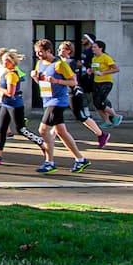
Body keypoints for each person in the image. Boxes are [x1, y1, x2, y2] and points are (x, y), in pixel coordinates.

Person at [30, 38, 88, 174]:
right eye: (37, 52)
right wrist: (35, 78)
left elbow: (73, 82)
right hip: (47, 99)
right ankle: (80, 159)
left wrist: (57, 80)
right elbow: (43, 84)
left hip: (58, 101)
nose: (38, 55)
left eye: (40, 52)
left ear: (49, 51)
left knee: (43, 130)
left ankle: (49, 162)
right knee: (61, 132)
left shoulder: (60, 65)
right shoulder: (40, 63)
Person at [0, 49, 27, 164]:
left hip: (14, 104)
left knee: (21, 129)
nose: (3, 62)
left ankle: (41, 143)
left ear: (13, 61)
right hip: (4, 103)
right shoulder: (3, 70)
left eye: (6, 60)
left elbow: (10, 93)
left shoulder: (12, 74)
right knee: (1, 129)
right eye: (2, 59)